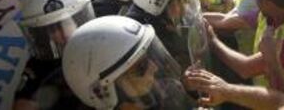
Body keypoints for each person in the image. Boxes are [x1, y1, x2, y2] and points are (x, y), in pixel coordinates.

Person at [62, 16, 193, 110]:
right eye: (141, 68)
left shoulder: (163, 97)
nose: (154, 67)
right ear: (103, 93)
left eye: (150, 58)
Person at [14, 0, 96, 110]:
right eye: (52, 29)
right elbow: (22, 105)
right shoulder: (37, 69)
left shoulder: (102, 46)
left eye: (66, 22)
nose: (62, 34)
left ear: (81, 18)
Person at [127, 0, 203, 69]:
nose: (184, 8)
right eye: (178, 1)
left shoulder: (164, 24)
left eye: (185, 0)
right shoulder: (137, 39)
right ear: (156, 2)